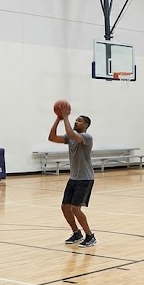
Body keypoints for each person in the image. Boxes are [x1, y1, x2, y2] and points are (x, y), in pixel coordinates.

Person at [47, 106, 96, 247]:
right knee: (65, 207)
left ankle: (90, 236)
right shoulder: (71, 137)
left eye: (79, 121)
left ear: (85, 125)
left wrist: (66, 117)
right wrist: (58, 118)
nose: (76, 122)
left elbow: (72, 134)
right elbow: (51, 137)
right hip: (73, 178)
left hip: (85, 178)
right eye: (75, 120)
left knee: (75, 208)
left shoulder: (87, 137)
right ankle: (76, 233)